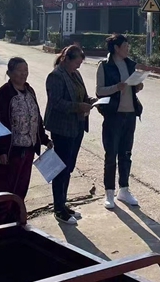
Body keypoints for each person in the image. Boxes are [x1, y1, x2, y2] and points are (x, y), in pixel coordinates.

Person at [0, 57, 52, 222]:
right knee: (6, 189)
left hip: (29, 149)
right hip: (11, 151)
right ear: (9, 72)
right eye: (19, 70)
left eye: (26, 70)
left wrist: (44, 139)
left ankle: (16, 220)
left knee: (21, 188)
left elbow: (36, 118)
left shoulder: (29, 91)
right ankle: (0, 224)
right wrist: (0, 150)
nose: (23, 74)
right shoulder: (3, 94)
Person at [44, 45, 96, 225]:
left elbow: (82, 96)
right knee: (61, 168)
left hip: (77, 125)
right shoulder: (56, 76)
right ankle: (58, 208)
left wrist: (90, 101)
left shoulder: (75, 74)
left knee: (69, 166)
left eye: (80, 63)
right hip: (62, 128)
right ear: (66, 59)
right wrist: (78, 107)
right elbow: (56, 102)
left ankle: (63, 203)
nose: (78, 66)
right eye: (76, 63)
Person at [95, 33, 144, 210]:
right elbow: (99, 91)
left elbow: (133, 88)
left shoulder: (130, 64)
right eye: (125, 47)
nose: (128, 50)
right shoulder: (104, 66)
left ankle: (124, 189)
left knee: (126, 154)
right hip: (113, 115)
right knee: (111, 155)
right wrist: (117, 87)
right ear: (116, 48)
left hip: (130, 114)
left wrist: (138, 86)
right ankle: (109, 192)